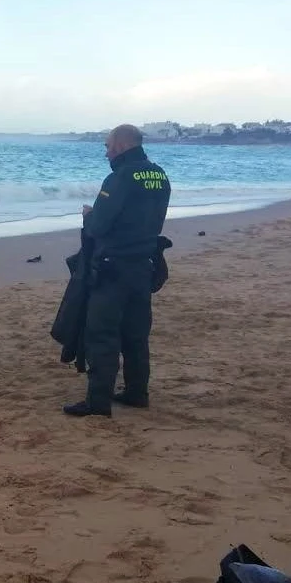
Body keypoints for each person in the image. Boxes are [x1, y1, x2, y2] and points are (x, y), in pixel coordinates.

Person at [64, 124, 171, 417]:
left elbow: (99, 226)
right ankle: (137, 392)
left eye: (108, 145)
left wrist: (89, 215)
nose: (106, 151)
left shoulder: (119, 178)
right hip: (144, 264)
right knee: (136, 334)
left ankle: (98, 401)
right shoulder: (159, 174)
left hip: (113, 267)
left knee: (103, 334)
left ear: (122, 146)